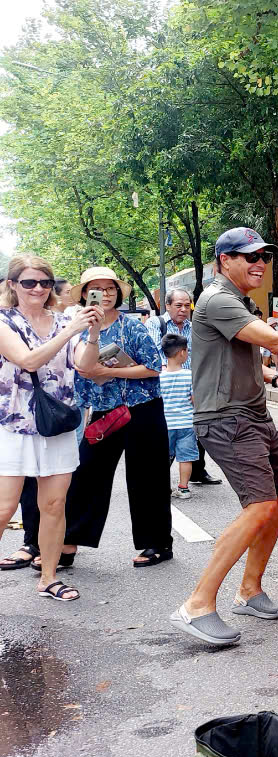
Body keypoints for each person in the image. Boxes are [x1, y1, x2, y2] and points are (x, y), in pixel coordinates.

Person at [169, 227, 278, 647]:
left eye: (263, 255)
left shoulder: (239, 301)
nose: (259, 263)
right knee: (260, 503)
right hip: (227, 420)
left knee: (277, 499)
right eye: (248, 256)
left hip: (255, 415)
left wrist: (276, 376)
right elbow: (274, 339)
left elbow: (244, 357)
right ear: (224, 261)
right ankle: (196, 605)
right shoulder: (217, 299)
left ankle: (249, 590)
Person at [0, 254, 103, 600]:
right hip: (13, 422)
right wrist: (71, 329)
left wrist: (91, 334)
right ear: (13, 285)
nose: (39, 289)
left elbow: (85, 367)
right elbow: (28, 359)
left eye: (45, 282)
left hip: (57, 422)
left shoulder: (63, 321)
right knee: (4, 507)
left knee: (55, 505)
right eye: (29, 282)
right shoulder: (4, 321)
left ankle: (48, 577)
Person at [62, 267, 174, 570]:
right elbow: (81, 370)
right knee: (86, 474)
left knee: (148, 477)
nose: (105, 294)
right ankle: (68, 541)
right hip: (103, 412)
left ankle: (158, 543)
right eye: (96, 289)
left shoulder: (134, 327)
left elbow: (153, 368)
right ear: (86, 295)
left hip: (143, 409)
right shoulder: (78, 329)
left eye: (110, 288)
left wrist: (109, 371)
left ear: (119, 293)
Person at [146, 288, 221, 486]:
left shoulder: (192, 326)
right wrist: (169, 377)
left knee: (195, 427)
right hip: (167, 386)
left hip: (190, 384)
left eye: (187, 305)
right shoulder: (156, 323)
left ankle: (197, 471)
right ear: (167, 305)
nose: (183, 310)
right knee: (167, 435)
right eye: (178, 305)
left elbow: (199, 355)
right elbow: (155, 352)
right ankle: (160, 481)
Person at [159, 333, 197, 500]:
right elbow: (195, 399)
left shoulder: (159, 377)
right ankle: (183, 488)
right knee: (185, 458)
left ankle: (161, 487)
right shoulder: (189, 375)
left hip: (166, 424)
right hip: (187, 423)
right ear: (182, 353)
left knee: (162, 457)